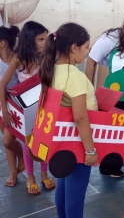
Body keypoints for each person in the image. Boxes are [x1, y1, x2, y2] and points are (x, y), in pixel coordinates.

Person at [39, 22, 98, 218]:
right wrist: (90, 150)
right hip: (78, 143)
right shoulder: (74, 75)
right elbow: (80, 117)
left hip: (63, 141)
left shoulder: (52, 69)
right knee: (76, 194)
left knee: (64, 185)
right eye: (86, 47)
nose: (87, 53)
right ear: (74, 47)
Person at [85, 7, 124, 177]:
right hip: (107, 93)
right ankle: (106, 164)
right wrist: (89, 89)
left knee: (120, 128)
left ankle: (113, 162)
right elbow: (91, 62)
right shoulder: (109, 38)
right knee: (106, 128)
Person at [0, 21, 55, 195]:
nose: (43, 43)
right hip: (25, 108)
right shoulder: (18, 59)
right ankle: (30, 177)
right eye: (40, 39)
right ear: (30, 40)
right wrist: (6, 111)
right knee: (28, 143)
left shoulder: (46, 56)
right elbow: (2, 85)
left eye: (45, 39)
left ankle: (45, 173)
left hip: (44, 104)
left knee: (44, 140)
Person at [0, 25, 24, 187]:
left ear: (2, 43)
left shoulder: (18, 59)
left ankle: (22, 157)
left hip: (17, 106)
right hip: (2, 106)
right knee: (7, 141)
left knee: (10, 140)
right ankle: (13, 172)